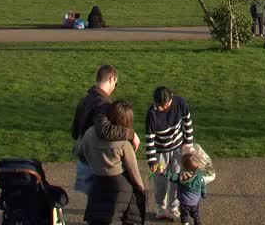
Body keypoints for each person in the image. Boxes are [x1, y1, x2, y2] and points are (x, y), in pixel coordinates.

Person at [72, 65, 141, 194]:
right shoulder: (103, 104)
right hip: (97, 165)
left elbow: (75, 131)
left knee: (92, 207)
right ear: (111, 79)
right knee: (102, 207)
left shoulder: (84, 100)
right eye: (116, 83)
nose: (115, 87)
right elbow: (105, 130)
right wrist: (131, 134)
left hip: (83, 160)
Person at [75, 101, 146, 225]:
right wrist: (141, 189)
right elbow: (133, 170)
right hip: (119, 187)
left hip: (97, 183)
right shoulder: (124, 142)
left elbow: (80, 151)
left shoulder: (90, 132)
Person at [146, 86, 195, 222]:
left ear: (171, 97)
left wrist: (188, 144)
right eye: (160, 106)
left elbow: (187, 122)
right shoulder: (152, 113)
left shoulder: (180, 103)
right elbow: (149, 137)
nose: (163, 108)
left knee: (177, 178)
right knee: (160, 181)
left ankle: (173, 207)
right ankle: (160, 208)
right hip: (160, 151)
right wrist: (152, 160)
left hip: (178, 148)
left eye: (166, 105)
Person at [158, 151, 209, 225]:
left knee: (184, 215)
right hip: (195, 201)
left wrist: (163, 172)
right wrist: (204, 194)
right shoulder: (199, 176)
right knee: (196, 214)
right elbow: (203, 185)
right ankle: (197, 222)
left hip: (184, 202)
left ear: (183, 167)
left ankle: (185, 223)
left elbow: (171, 177)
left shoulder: (181, 177)